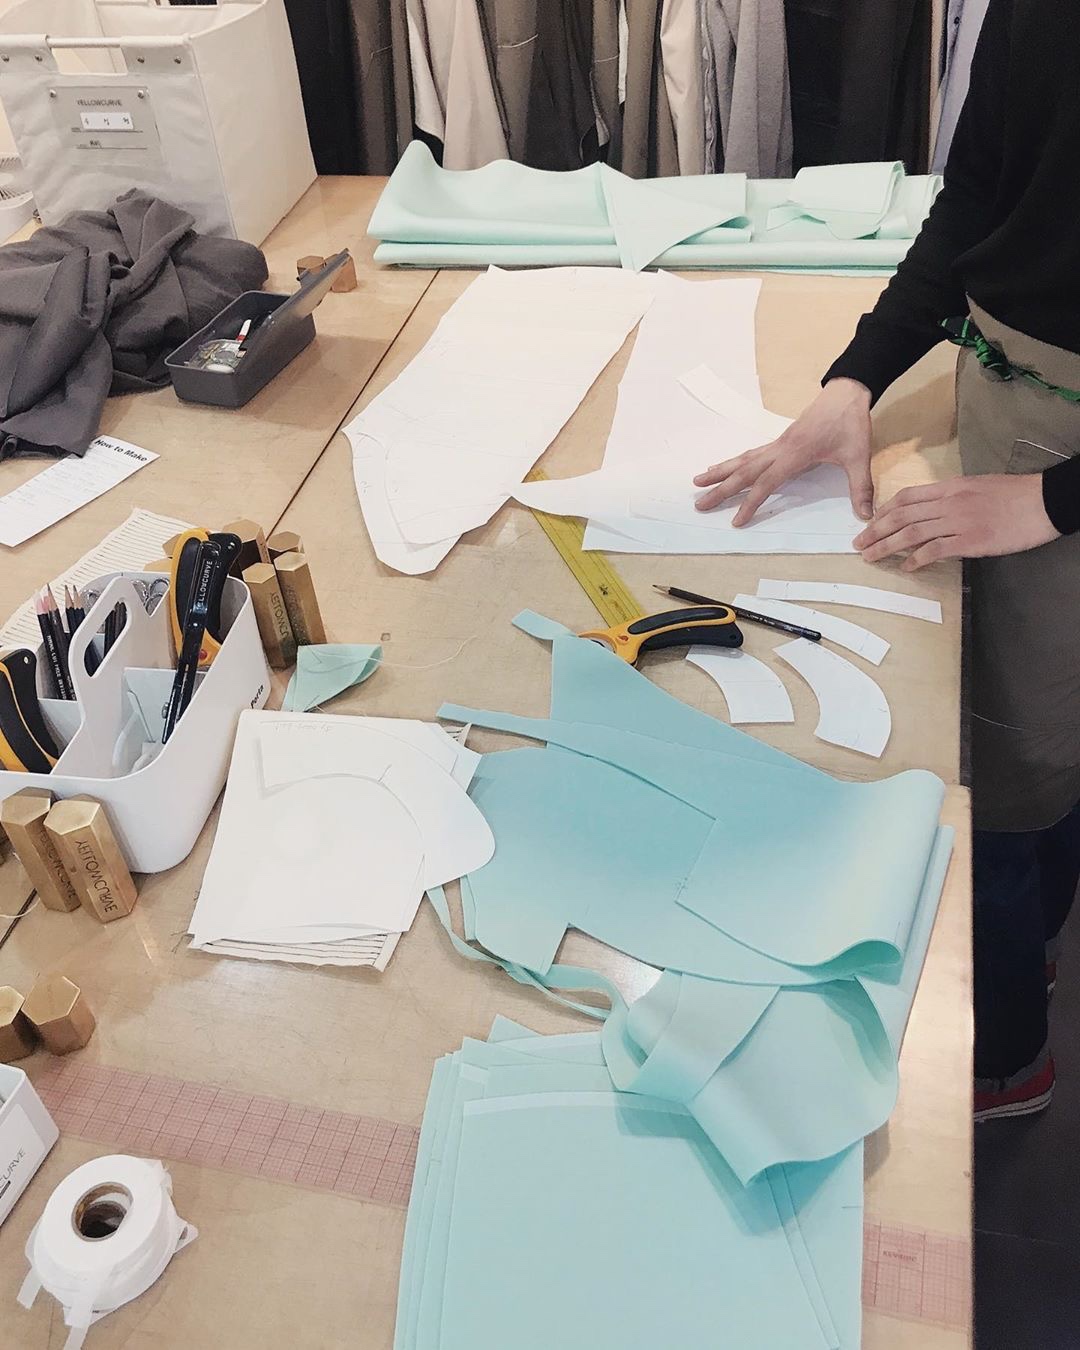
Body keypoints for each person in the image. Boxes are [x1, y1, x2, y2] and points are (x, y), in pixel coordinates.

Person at [692, 0, 1080, 1121]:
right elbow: (981, 195)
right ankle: (1032, 948)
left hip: (1053, 471)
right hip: (1007, 397)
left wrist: (1051, 500)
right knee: (998, 734)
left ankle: (1005, 1058)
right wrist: (856, 377)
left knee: (1007, 765)